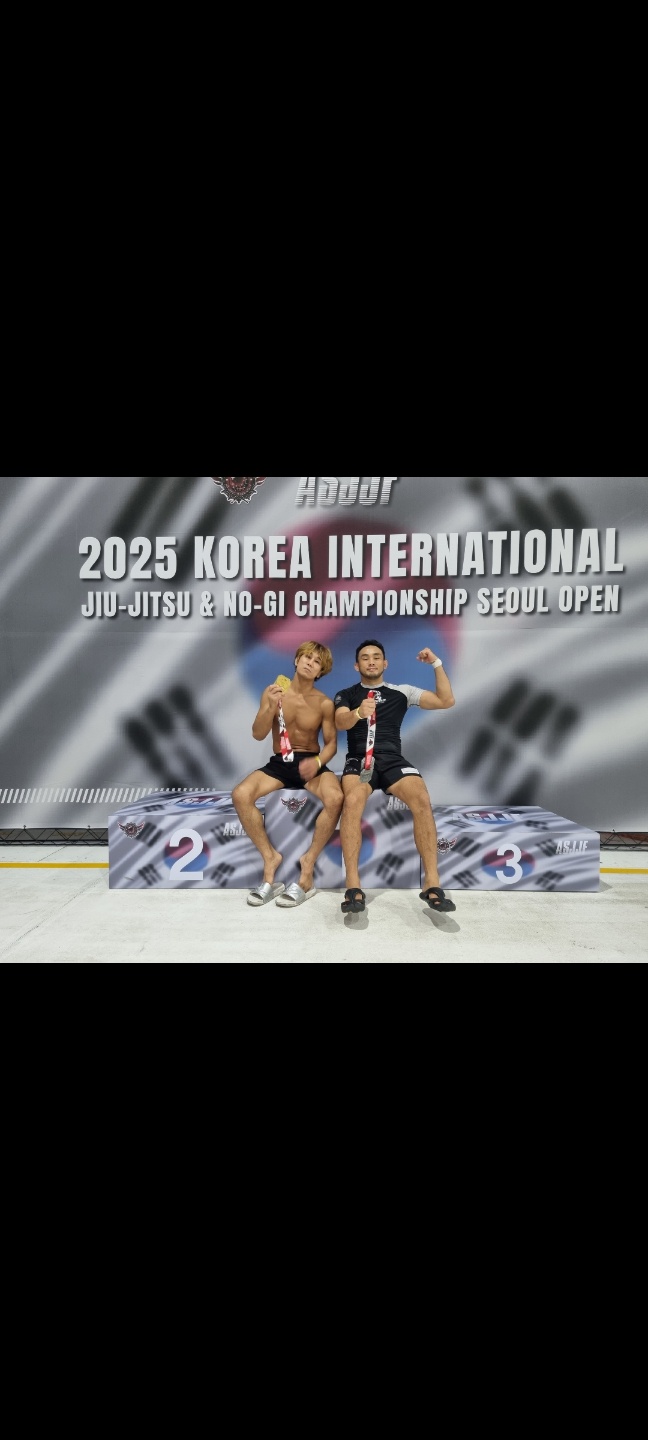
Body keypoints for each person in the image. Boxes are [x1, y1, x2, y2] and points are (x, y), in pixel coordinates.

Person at [334, 639, 457, 915]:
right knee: (352, 801)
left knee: (421, 798)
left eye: (376, 657)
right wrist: (358, 713)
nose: (371, 661)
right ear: (356, 666)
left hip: (392, 761)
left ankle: (432, 883)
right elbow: (340, 721)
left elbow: (446, 700)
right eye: (365, 658)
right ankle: (353, 886)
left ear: (385, 663)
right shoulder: (346, 694)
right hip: (359, 760)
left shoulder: (403, 692)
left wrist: (436, 663)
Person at [232, 641, 343, 908]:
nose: (309, 663)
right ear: (296, 660)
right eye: (306, 657)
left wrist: (317, 762)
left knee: (336, 798)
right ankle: (270, 858)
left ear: (321, 671)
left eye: (316, 662)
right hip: (281, 762)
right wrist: (270, 706)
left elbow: (331, 744)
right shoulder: (273, 692)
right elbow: (258, 733)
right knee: (241, 794)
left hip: (310, 763)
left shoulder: (324, 703)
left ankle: (307, 867)